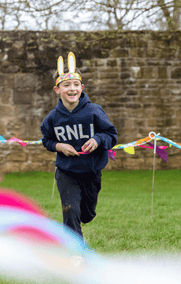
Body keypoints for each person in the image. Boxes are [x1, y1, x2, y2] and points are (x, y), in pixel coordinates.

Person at [40, 52, 117, 243]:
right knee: (70, 210)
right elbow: (46, 140)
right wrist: (58, 145)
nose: (72, 89)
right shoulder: (52, 118)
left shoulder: (94, 111)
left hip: (91, 171)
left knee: (86, 214)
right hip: (67, 171)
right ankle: (76, 251)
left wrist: (98, 139)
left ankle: (86, 214)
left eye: (76, 85)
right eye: (66, 85)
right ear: (57, 89)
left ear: (82, 88)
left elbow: (111, 135)